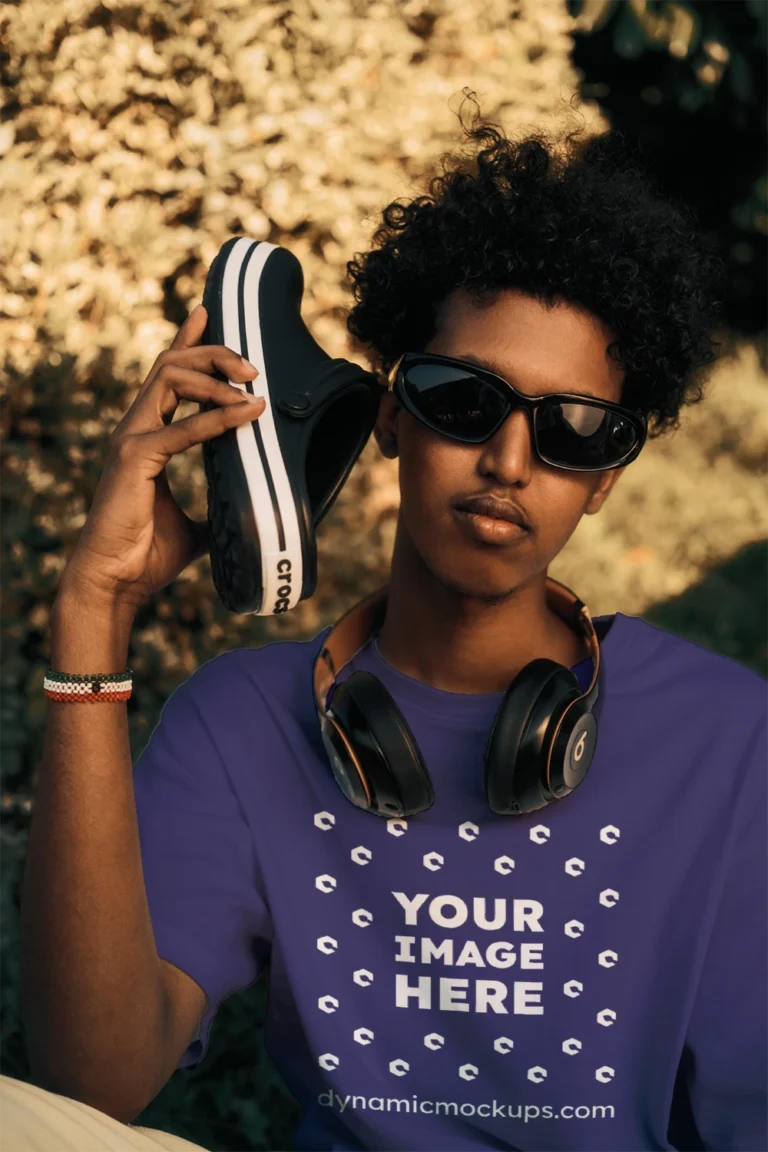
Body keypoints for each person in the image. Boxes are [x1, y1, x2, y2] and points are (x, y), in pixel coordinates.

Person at [9, 104, 768, 1152]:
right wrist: (93, 612)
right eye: (464, 399)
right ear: (391, 415)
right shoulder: (243, 722)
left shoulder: (731, 739)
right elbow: (89, 1083)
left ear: (605, 482)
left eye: (575, 430)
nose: (509, 461)